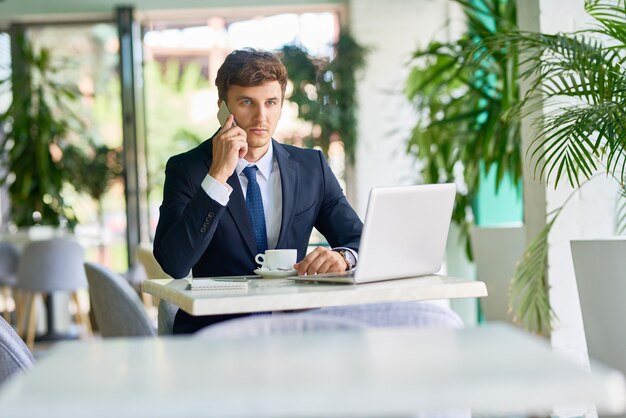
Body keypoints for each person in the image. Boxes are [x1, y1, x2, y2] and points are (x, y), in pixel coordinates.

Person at [153, 48, 363, 334]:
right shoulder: (186, 170)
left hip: (295, 333)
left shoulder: (310, 167)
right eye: (247, 102)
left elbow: (358, 238)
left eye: (271, 102)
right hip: (216, 336)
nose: (261, 117)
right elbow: (174, 263)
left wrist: (343, 256)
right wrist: (217, 175)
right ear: (223, 107)